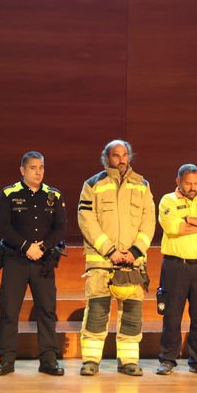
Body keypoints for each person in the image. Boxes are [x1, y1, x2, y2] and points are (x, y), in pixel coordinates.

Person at [77, 139, 156, 376]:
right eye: (115, 155)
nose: (121, 160)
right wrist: (110, 251)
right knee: (97, 311)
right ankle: (91, 360)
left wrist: (135, 251)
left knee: (132, 314)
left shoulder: (143, 185)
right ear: (106, 158)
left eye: (124, 155)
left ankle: (128, 361)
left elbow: (149, 220)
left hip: (133, 263)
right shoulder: (92, 184)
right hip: (102, 262)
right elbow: (86, 220)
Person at [0, 151, 67, 376]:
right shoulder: (9, 193)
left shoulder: (54, 195)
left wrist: (43, 247)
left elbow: (60, 227)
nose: (38, 172)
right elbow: (4, 227)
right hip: (15, 260)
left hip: (44, 262)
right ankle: (6, 359)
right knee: (9, 310)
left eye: (41, 167)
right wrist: (26, 246)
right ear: (22, 170)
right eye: (33, 168)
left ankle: (48, 360)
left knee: (46, 310)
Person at [155, 164, 197, 375]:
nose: (193, 187)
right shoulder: (168, 200)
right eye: (188, 183)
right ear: (178, 181)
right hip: (176, 266)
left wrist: (190, 220)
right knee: (172, 315)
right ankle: (167, 359)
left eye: (196, 183)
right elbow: (174, 228)